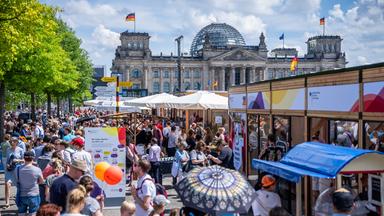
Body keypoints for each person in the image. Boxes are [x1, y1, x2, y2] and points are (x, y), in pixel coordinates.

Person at [15, 151, 44, 215]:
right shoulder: (37, 169)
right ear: (33, 158)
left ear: (23, 158)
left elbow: (17, 180)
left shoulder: (17, 169)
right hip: (34, 194)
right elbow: (42, 182)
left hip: (21, 195)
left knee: (21, 213)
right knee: (33, 213)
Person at [4, 136, 24, 209]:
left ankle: (19, 200)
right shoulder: (8, 149)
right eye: (11, 141)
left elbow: (25, 160)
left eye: (13, 141)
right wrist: (7, 165)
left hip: (18, 169)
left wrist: (17, 160)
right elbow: (7, 160)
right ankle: (7, 202)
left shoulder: (21, 150)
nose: (12, 142)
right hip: (10, 170)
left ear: (16, 142)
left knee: (18, 186)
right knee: (7, 184)